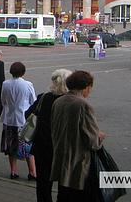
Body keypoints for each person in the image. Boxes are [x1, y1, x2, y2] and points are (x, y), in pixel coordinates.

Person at [50, 70, 105, 202]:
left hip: (60, 156)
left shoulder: (59, 101)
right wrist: (100, 136)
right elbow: (92, 141)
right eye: (90, 88)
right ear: (86, 87)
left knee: (63, 195)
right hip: (78, 163)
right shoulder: (83, 105)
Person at [25, 69, 71, 202]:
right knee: (64, 184)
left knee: (43, 184)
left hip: (42, 146)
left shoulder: (44, 97)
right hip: (62, 148)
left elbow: (27, 114)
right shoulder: (70, 101)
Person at [0, 62, 37, 181]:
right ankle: (32, 172)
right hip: (23, 119)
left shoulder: (5, 84)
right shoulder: (28, 84)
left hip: (9, 118)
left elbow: (3, 100)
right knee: (27, 147)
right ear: (23, 72)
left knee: (11, 146)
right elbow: (33, 101)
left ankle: (13, 171)